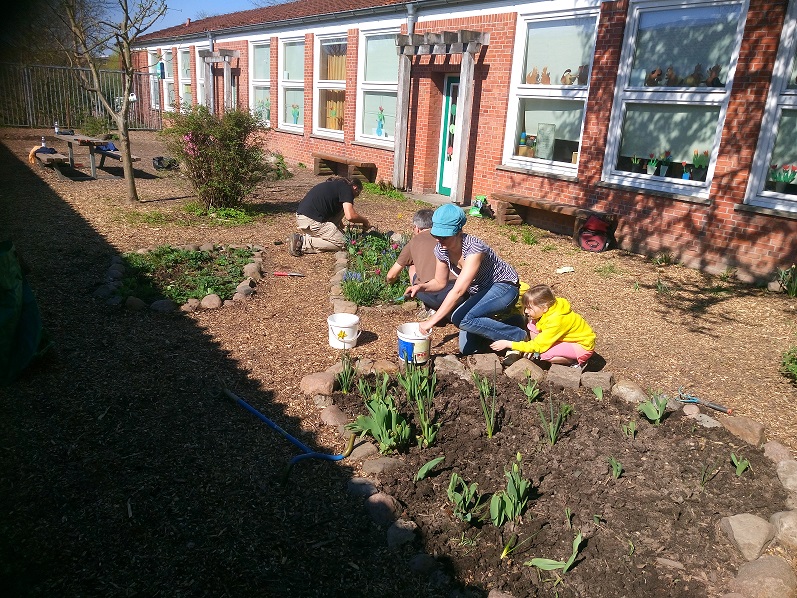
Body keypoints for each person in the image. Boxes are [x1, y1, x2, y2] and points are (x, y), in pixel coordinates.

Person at [412, 204, 527, 355]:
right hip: (481, 293)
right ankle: (513, 322)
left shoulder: (474, 248)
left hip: (504, 288)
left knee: (461, 318)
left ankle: (518, 337)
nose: (439, 240)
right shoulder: (441, 249)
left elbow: (459, 290)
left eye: (444, 236)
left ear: (459, 231)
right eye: (436, 236)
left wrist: (431, 322)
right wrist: (422, 287)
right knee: (469, 349)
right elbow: (440, 283)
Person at [490, 284, 595, 368]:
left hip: (582, 346)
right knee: (532, 325)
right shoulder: (550, 305)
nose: (526, 311)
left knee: (545, 354)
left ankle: (576, 360)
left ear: (544, 307)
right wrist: (534, 348)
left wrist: (508, 344)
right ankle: (538, 353)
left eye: (530, 308)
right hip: (566, 339)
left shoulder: (556, 321)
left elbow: (539, 347)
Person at [385, 209, 456, 312]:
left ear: (417, 228)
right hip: (455, 292)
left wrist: (389, 284)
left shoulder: (413, 242)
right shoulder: (446, 238)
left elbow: (391, 275)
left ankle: (425, 303)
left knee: (412, 265)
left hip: (431, 295)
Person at [289, 176, 369, 256]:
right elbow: (350, 216)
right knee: (344, 243)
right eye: (358, 193)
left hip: (304, 216)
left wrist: (341, 227)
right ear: (355, 187)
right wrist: (365, 221)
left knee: (342, 207)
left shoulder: (337, 186)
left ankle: (330, 234)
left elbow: (333, 209)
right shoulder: (347, 189)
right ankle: (303, 242)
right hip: (311, 220)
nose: (356, 196)